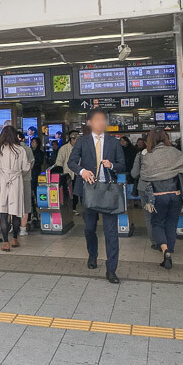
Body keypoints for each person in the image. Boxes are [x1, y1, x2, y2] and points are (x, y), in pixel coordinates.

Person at [68, 109, 126, 284]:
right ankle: (92, 254)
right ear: (90, 123)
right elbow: (71, 162)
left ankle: (111, 269)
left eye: (103, 120)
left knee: (111, 231)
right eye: (97, 119)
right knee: (89, 228)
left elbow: (123, 165)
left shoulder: (114, 142)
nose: (101, 122)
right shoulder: (82, 142)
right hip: (89, 191)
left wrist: (112, 165)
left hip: (108, 192)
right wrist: (82, 171)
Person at [139, 129, 183, 270]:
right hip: (176, 195)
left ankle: (165, 251)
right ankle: (169, 249)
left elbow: (144, 175)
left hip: (158, 197)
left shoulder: (149, 156)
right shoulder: (176, 152)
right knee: (171, 223)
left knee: (157, 223)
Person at [0, 126, 30, 252]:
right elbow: (26, 168)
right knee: (15, 213)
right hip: (16, 182)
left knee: (3, 214)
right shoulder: (20, 150)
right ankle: (15, 239)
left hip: (2, 182)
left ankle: (5, 243)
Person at [55, 131, 79, 212]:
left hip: (77, 174)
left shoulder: (80, 148)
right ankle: (67, 207)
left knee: (76, 191)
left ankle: (74, 207)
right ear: (71, 139)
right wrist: (61, 174)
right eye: (76, 140)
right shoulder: (64, 148)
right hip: (67, 173)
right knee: (67, 191)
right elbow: (59, 162)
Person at [18, 131, 35, 235]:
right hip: (26, 180)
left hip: (13, 181)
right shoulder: (28, 149)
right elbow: (31, 164)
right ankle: (23, 229)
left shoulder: (9, 149)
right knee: (26, 204)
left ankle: (13, 226)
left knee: (13, 203)